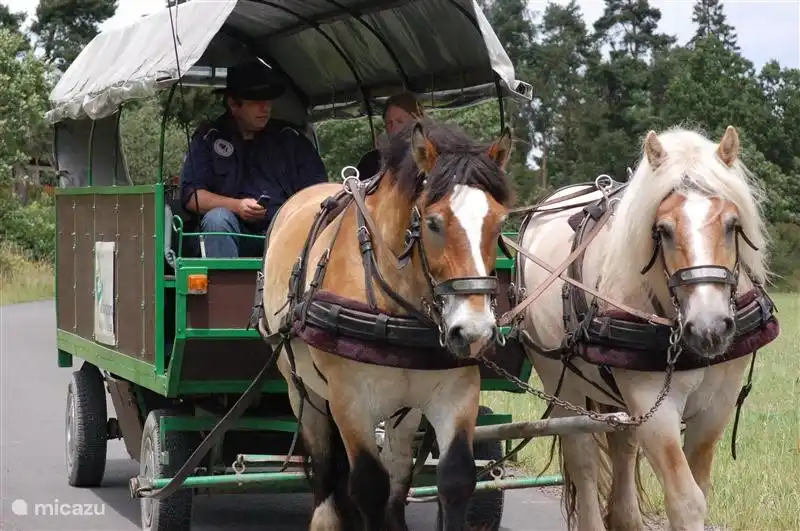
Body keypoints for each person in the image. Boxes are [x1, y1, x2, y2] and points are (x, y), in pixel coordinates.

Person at [180, 60, 329, 258]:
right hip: (231, 233)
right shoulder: (209, 138)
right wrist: (238, 207)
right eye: (256, 101)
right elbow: (192, 197)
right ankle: (226, 288)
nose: (265, 108)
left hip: (283, 233)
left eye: (268, 101)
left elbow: (319, 192)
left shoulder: (291, 139)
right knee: (217, 220)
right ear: (234, 104)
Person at [355, 91, 426, 180]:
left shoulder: (432, 157)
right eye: (389, 123)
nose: (394, 127)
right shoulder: (372, 161)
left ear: (418, 121)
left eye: (400, 121)